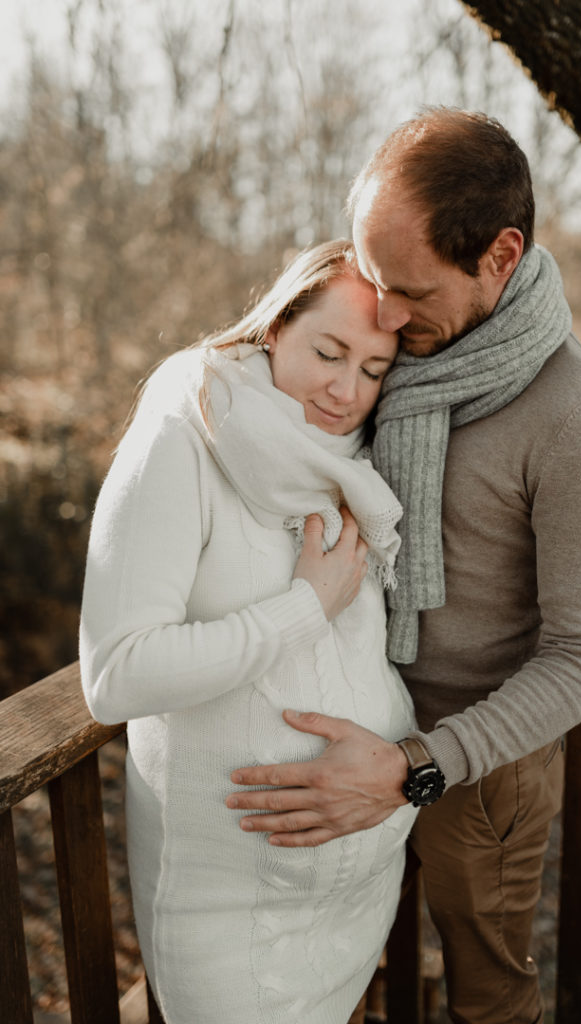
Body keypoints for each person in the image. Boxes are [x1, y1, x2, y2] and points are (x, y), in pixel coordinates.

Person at [225, 109, 581, 1024]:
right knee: (325, 971)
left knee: (487, 1001)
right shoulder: (382, 357)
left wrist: (415, 766)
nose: (383, 313)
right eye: (376, 280)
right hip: (337, 722)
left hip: (477, 767)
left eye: (411, 290)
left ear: (500, 254)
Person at [79, 239, 419, 1024]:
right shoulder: (185, 433)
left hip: (357, 896)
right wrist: (304, 607)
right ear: (274, 328)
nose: (346, 391)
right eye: (328, 352)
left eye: (373, 371)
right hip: (225, 915)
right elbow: (116, 675)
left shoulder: (356, 464)